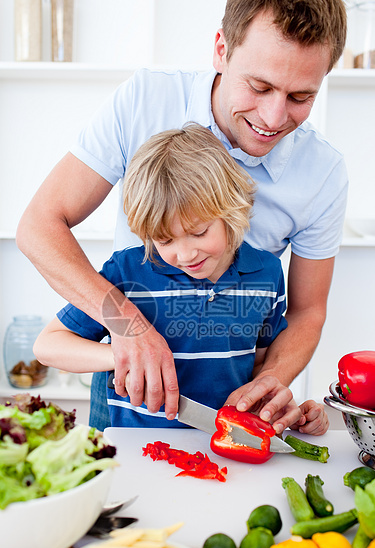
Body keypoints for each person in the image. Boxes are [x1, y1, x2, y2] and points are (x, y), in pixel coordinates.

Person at [17, 0, 347, 434]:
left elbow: (305, 313)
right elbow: (39, 226)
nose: (273, 117)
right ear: (221, 50)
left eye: (301, 96)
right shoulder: (145, 99)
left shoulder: (323, 173)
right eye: (259, 86)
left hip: (229, 404)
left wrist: (267, 387)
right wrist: (128, 331)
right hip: (132, 388)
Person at [34, 124, 328, 434]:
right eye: (164, 240)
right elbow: (48, 346)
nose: (185, 254)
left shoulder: (266, 274)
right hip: (139, 450)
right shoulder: (127, 273)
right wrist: (120, 353)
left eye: (199, 232)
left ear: (231, 208)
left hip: (224, 450)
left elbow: (261, 366)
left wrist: (279, 407)